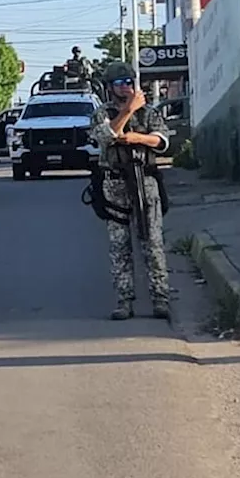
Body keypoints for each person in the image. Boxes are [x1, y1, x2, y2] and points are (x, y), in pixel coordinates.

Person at [88, 62, 172, 320]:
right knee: (119, 246)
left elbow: (162, 141)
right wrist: (127, 110)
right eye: (119, 83)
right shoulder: (102, 112)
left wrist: (138, 138)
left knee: (153, 242)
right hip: (114, 185)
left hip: (145, 182)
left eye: (128, 82)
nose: (125, 87)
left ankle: (161, 298)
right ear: (109, 88)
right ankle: (124, 301)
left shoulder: (148, 112)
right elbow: (104, 135)